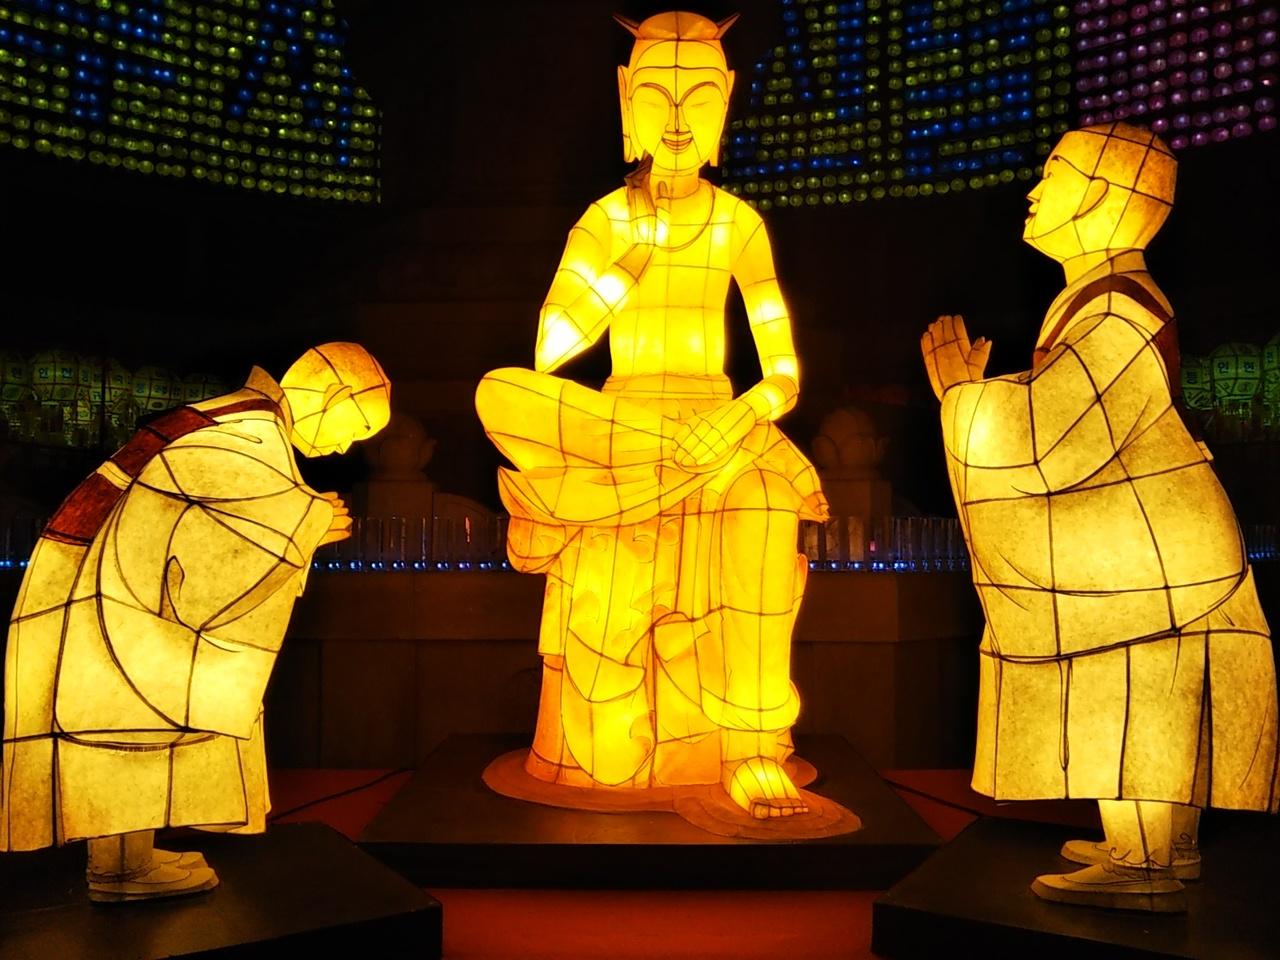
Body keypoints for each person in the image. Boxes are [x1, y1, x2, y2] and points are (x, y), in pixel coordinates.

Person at [475, 11, 827, 819]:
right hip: (626, 430)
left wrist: (740, 415)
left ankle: (751, 743)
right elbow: (548, 349)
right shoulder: (606, 220)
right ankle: (668, 458)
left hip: (719, 425)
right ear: (625, 98)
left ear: (727, 100)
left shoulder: (739, 225)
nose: (676, 120)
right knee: (499, 390)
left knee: (765, 506)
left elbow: (783, 371)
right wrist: (623, 268)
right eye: (657, 97)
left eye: (698, 97)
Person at [921, 123, 1279, 911]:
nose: (1034, 190)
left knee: (1133, 697)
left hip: (1153, 559)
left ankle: (1143, 865)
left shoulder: (1119, 313)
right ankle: (1164, 848)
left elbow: (1047, 440)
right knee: (1153, 697)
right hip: (1155, 549)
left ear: (1106, 198)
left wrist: (960, 396)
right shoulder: (1102, 304)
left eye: (1055, 173)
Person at [1, 343, 390, 901]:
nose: (345, 445)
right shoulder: (247, 435)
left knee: (126, 740)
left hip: (115, 601)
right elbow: (224, 530)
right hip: (125, 614)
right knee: (128, 739)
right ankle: (121, 872)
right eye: (356, 427)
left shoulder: (231, 420)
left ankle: (126, 862)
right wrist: (311, 521)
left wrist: (299, 522)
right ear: (333, 394)